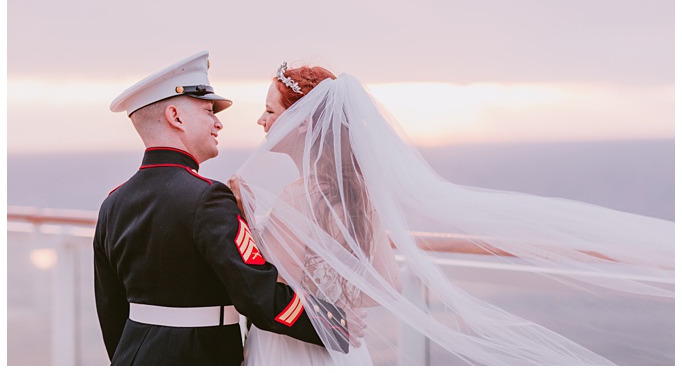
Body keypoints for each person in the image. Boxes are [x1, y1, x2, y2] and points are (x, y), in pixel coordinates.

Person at [229, 61, 674, 366]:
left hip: (290, 350)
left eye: (269, 111)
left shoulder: (293, 198)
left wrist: (239, 213)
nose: (262, 122)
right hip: (343, 351)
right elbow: (387, 282)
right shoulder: (357, 195)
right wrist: (340, 306)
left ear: (302, 121)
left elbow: (267, 287)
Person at [94, 51, 354, 366]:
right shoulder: (207, 198)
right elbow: (256, 294)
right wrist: (333, 323)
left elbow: (110, 309)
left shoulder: (112, 203)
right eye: (208, 111)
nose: (218, 123)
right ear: (175, 117)